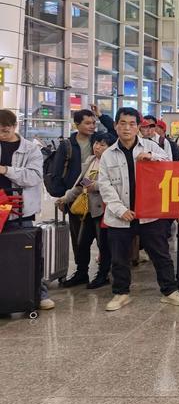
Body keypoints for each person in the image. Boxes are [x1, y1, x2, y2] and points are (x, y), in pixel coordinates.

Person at [97, 107, 179, 311]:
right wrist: (120, 209)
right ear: (116, 126)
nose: (127, 128)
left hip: (149, 213)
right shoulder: (108, 155)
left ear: (139, 126)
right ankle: (121, 293)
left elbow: (170, 166)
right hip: (121, 215)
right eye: (123, 123)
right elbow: (105, 185)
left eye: (132, 124)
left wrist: (151, 157)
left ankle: (169, 291)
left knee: (160, 254)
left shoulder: (150, 146)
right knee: (119, 258)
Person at [0, 109, 53, 310]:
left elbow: (33, 177)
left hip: (20, 210)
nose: (2, 134)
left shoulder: (30, 149)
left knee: (28, 254)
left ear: (15, 126)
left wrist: (6, 170)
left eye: (5, 130)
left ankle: (39, 293)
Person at [56, 132, 115, 289]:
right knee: (82, 243)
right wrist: (66, 198)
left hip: (103, 210)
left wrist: (95, 186)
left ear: (110, 148)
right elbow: (81, 183)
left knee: (103, 245)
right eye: (96, 143)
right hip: (88, 209)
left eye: (102, 144)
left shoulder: (113, 163)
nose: (97, 147)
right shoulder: (91, 160)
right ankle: (81, 273)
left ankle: (103, 274)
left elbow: (115, 185)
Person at [49, 109, 98, 286]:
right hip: (75, 197)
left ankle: (103, 272)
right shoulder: (67, 145)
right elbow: (57, 172)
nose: (92, 126)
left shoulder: (98, 140)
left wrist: (101, 115)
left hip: (97, 196)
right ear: (77, 125)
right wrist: (63, 196)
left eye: (94, 123)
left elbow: (113, 132)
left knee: (102, 237)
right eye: (87, 123)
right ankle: (81, 271)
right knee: (79, 238)